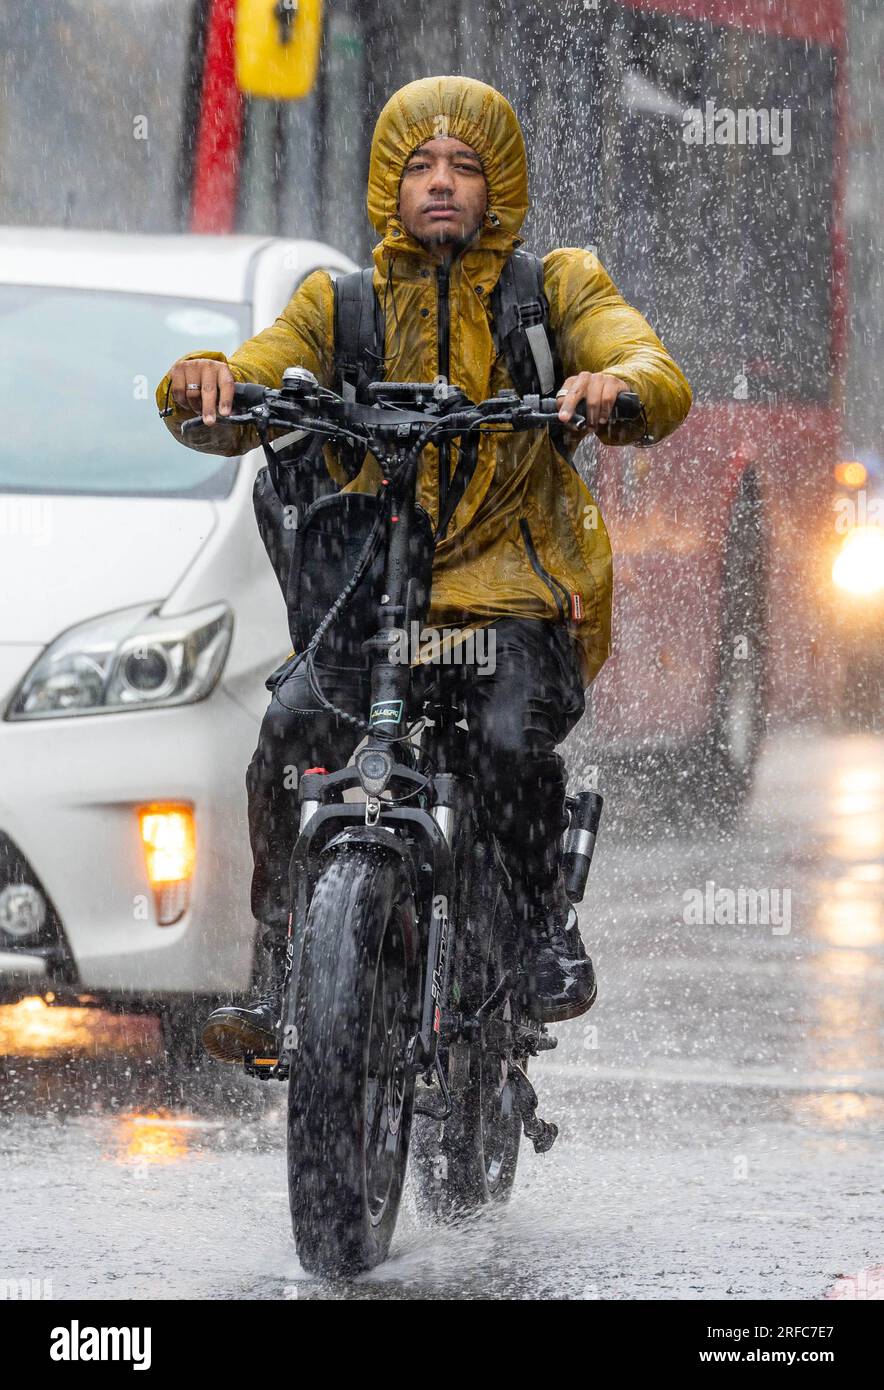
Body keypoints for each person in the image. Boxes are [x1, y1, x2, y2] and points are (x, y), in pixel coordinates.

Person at [156, 75, 692, 1063]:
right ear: (385, 188)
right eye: (418, 166)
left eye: (465, 166)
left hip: (516, 602)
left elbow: (646, 364)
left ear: (501, 186)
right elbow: (256, 371)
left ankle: (537, 928)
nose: (440, 183)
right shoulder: (338, 305)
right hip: (377, 604)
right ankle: (282, 964)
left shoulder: (555, 288)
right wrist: (206, 381)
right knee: (289, 728)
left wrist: (615, 383)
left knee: (500, 737)